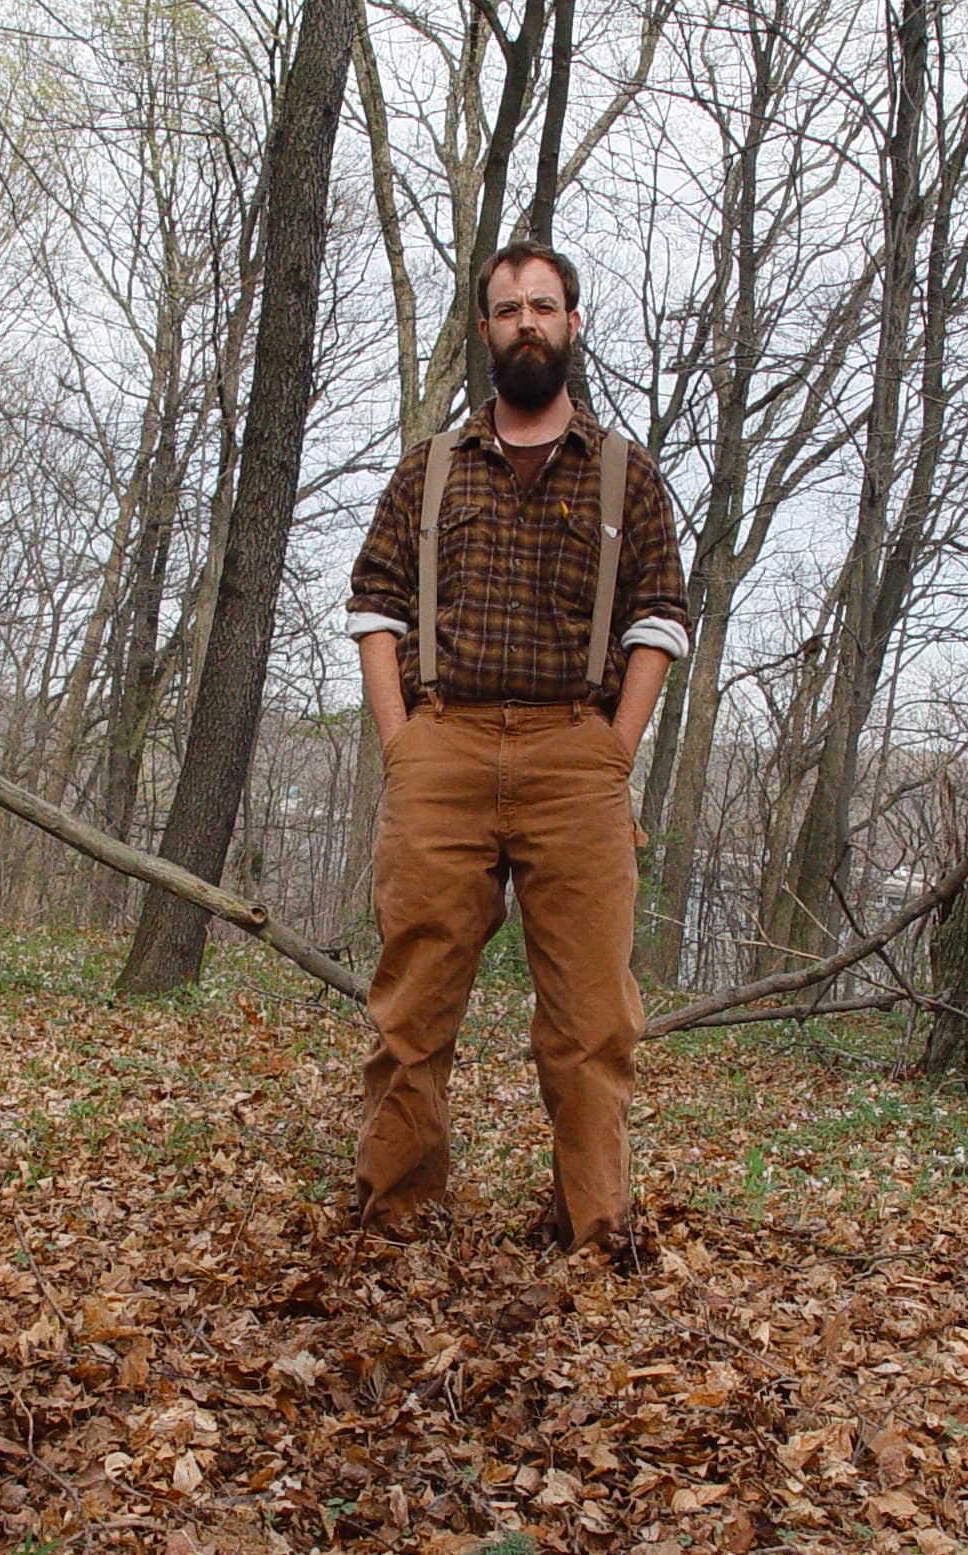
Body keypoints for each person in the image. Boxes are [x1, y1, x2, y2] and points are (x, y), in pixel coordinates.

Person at [343, 239, 690, 1262]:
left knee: (591, 1016)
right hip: (441, 744)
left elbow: (660, 621)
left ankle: (595, 1228)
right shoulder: (431, 469)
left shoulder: (628, 476)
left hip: (571, 754)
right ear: (486, 331)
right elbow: (374, 605)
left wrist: (611, 752)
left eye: (544, 306)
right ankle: (395, 1211)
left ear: (572, 325)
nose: (526, 323)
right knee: (412, 999)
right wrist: (402, 745)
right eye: (507, 309)